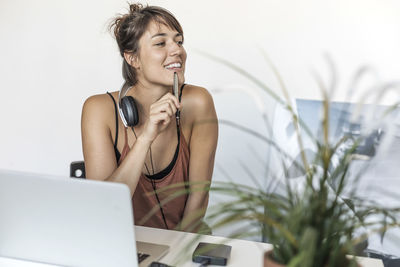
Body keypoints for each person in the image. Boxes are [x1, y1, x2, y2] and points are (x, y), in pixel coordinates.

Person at [81, 3, 218, 232]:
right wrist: (145, 137)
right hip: (119, 244)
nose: (177, 50)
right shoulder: (99, 110)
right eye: (160, 43)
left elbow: (198, 199)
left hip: (181, 245)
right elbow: (102, 207)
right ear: (133, 59)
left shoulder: (198, 102)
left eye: (179, 41)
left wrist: (171, 258)